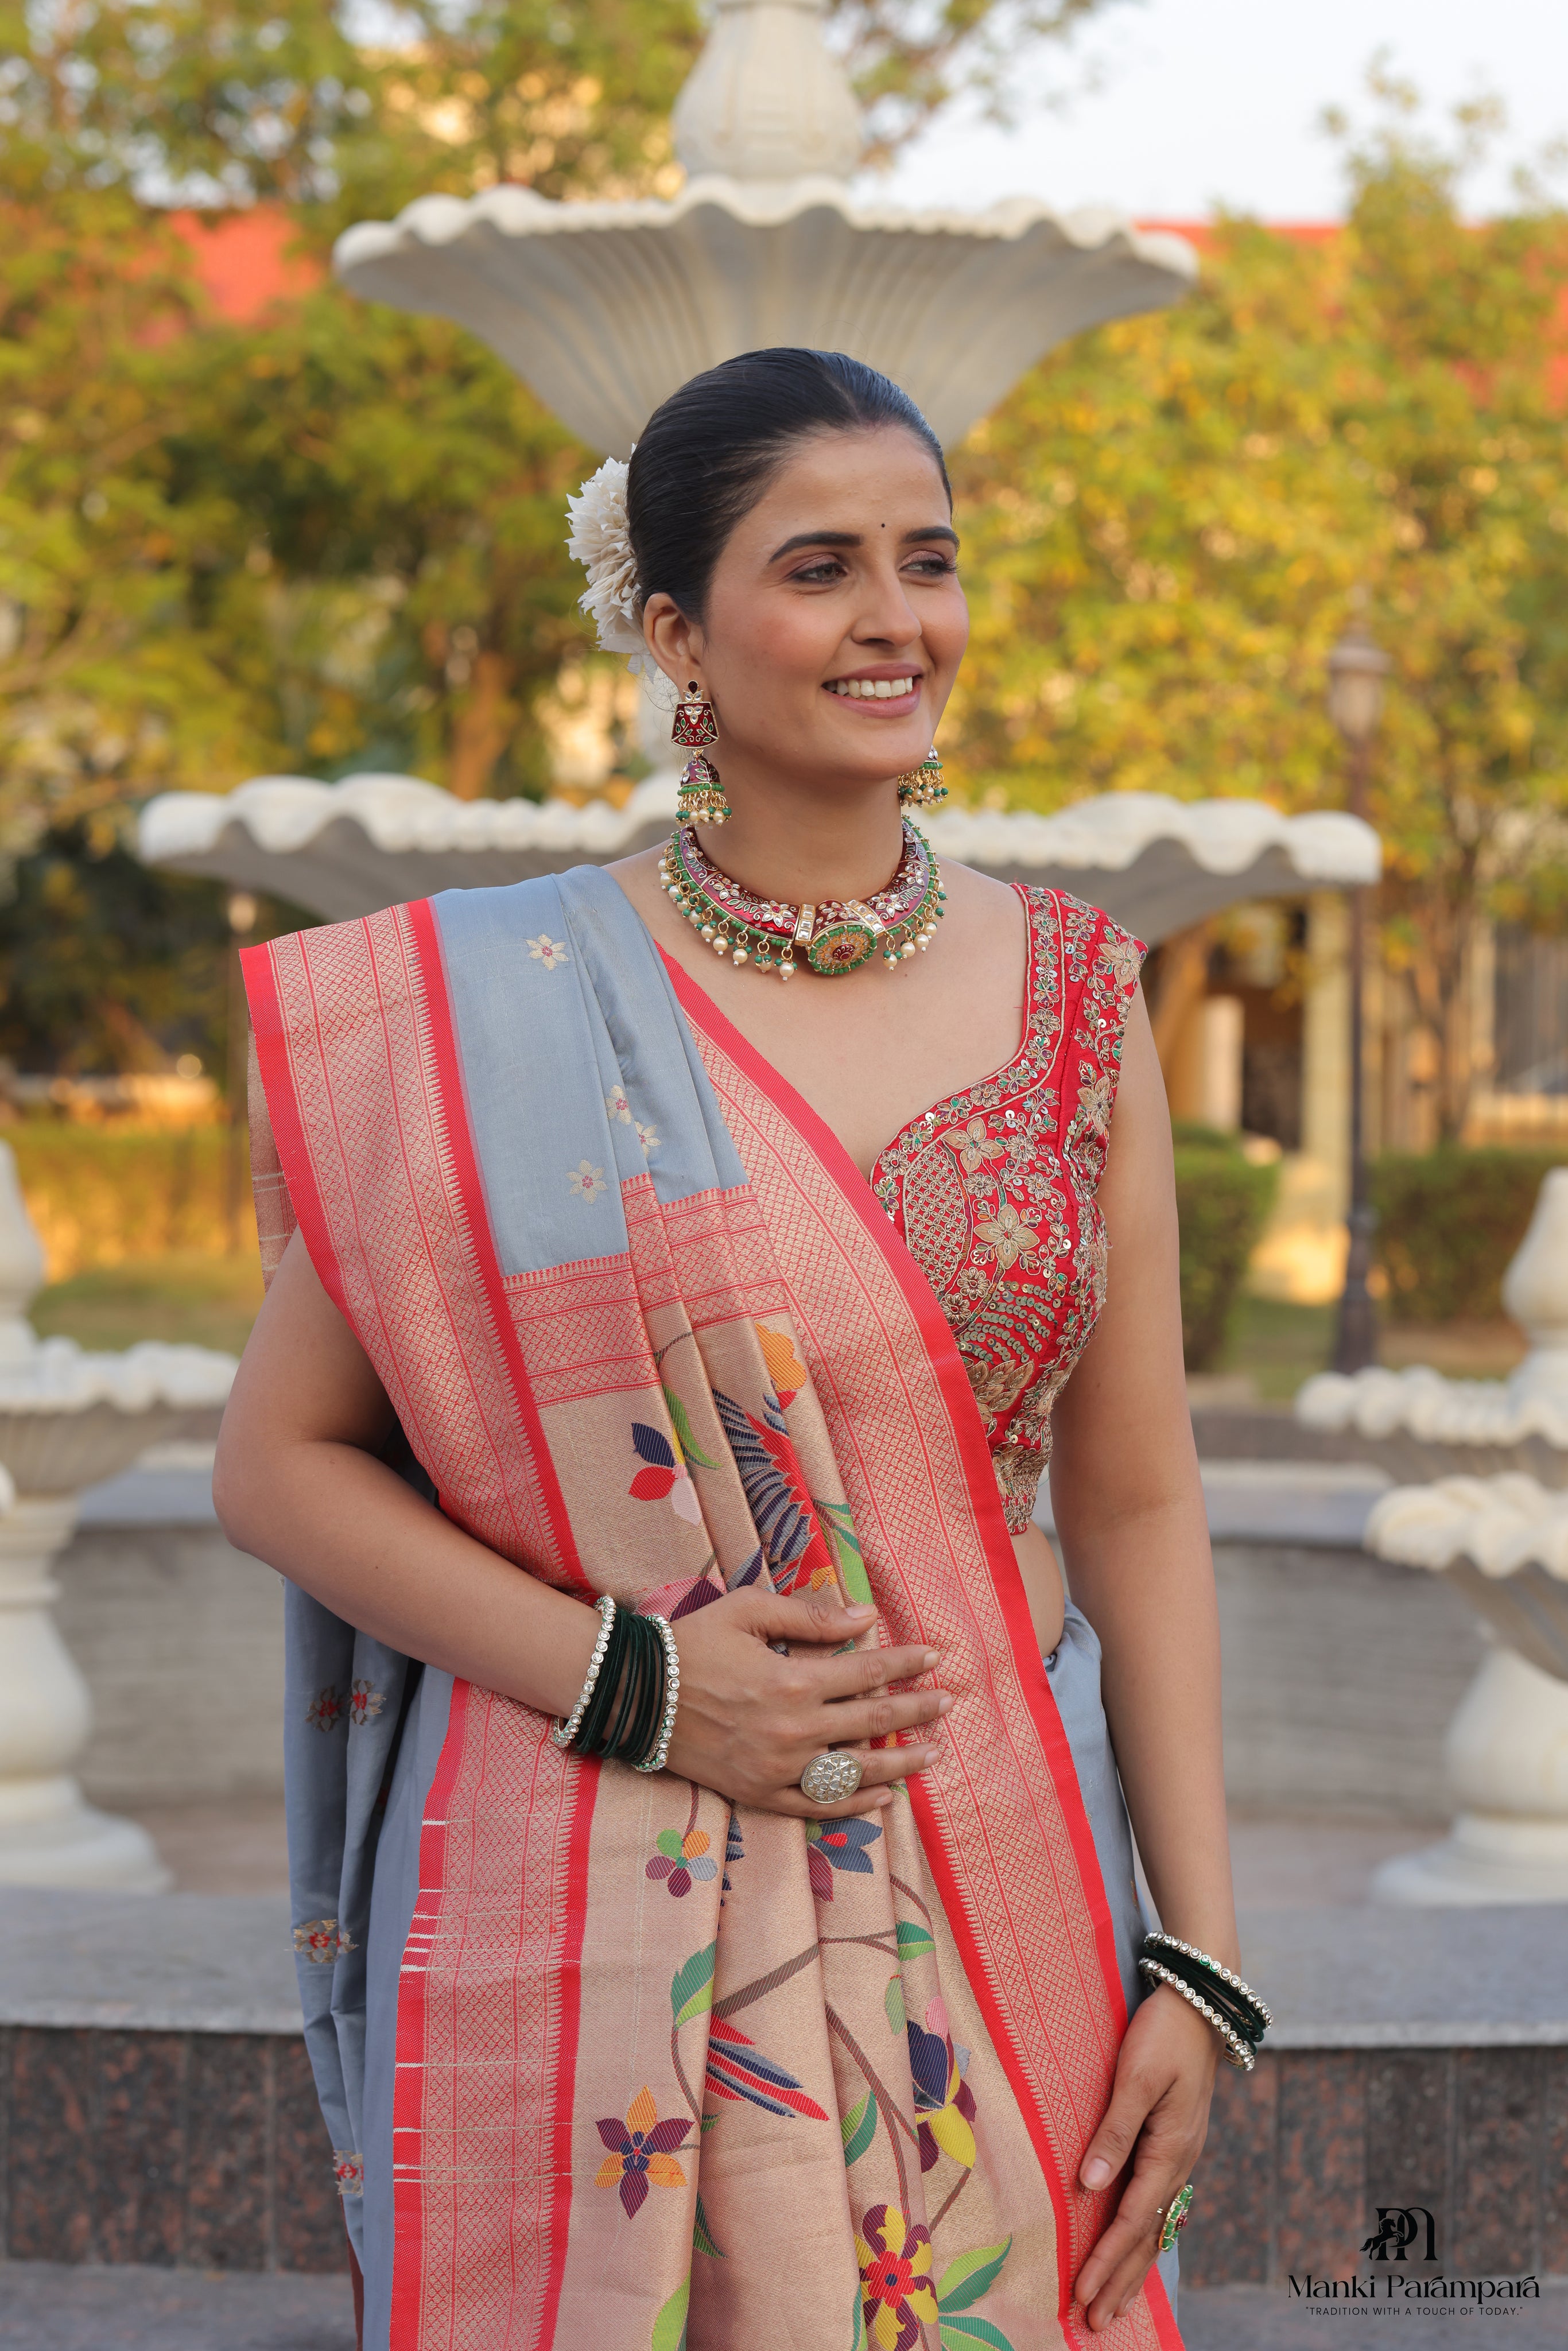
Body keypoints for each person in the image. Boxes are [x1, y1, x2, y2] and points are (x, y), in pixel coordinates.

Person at [216, 347, 1262, 2351]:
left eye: (926, 560)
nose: (895, 619)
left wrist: (1197, 1955)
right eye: (819, 567)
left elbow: (1136, 1497)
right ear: (677, 634)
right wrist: (646, 1686)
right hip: (593, 1853)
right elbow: (278, 1467)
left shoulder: (1074, 995)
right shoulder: (499, 1013)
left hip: (1006, 1841)